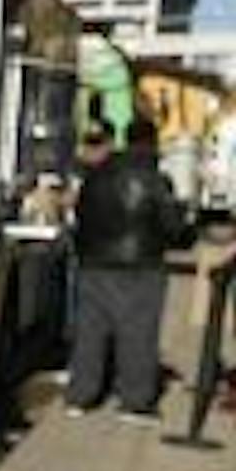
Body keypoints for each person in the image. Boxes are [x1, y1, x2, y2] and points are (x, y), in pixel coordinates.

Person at [66, 115, 193, 422]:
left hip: (94, 263)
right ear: (153, 143)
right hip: (142, 265)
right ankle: (134, 401)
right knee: (138, 332)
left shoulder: (97, 174)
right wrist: (188, 231)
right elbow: (173, 228)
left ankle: (80, 396)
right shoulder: (155, 180)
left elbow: (81, 215)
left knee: (90, 333)